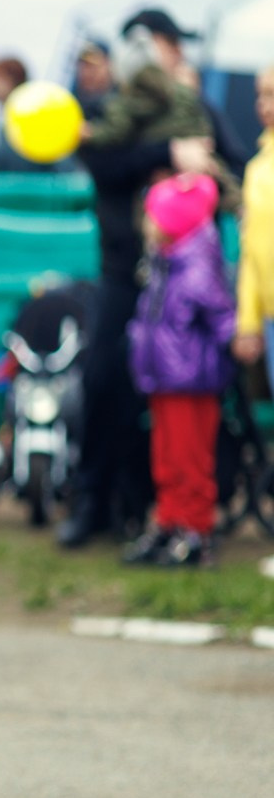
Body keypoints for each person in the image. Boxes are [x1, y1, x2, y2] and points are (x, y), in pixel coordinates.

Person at [63, 7, 218, 549]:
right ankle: (92, 501)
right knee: (103, 380)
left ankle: (163, 510)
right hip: (121, 274)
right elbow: (105, 167)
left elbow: (225, 165)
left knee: (173, 402)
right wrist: (164, 154)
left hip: (178, 286)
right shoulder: (111, 113)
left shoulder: (193, 110)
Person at [124, 174, 233, 568]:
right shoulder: (162, 263)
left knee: (191, 460)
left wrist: (238, 347)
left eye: (153, 216)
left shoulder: (198, 269)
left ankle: (196, 530)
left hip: (191, 381)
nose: (146, 224)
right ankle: (169, 520)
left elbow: (225, 320)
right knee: (166, 457)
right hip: (163, 379)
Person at [232, 65, 274, 395]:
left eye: (272, 94)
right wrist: (249, 322)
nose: (264, 103)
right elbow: (251, 251)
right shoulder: (257, 169)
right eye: (260, 94)